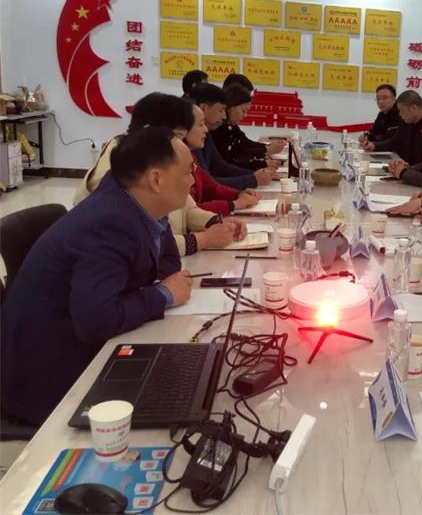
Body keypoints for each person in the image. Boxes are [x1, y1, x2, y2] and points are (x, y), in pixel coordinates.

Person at [0, 127, 196, 425]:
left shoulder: (137, 202)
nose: (192, 181)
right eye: (187, 172)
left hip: (82, 343)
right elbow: (97, 321)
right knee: (181, 398)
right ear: (156, 179)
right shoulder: (108, 222)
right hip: (52, 379)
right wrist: (163, 294)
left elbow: (168, 266)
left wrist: (161, 289)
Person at [74, 92, 246, 256]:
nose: (180, 144)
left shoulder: (155, 158)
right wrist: (204, 239)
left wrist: (215, 222)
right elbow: (144, 244)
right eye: (176, 136)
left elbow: (187, 208)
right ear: (149, 131)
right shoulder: (119, 173)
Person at [190, 83, 277, 190]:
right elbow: (205, 184)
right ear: (203, 108)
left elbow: (220, 166)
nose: (224, 116)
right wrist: (252, 178)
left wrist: (255, 175)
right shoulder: (192, 139)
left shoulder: (207, 132)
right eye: (221, 110)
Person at [184, 101, 261, 216]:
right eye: (200, 124)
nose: (205, 129)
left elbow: (210, 186)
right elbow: (188, 212)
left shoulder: (191, 155)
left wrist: (237, 195)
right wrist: (233, 204)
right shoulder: (174, 161)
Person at [211, 82, 286, 170]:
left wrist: (266, 149)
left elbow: (245, 144)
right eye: (243, 111)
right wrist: (265, 154)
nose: (245, 115)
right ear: (231, 107)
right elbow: (233, 160)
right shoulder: (219, 129)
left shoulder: (232, 126)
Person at [361, 90, 422, 165]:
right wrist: (374, 146)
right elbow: (394, 141)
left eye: (402, 110)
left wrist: (408, 169)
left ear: (413, 108)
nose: (400, 114)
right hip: (406, 167)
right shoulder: (405, 121)